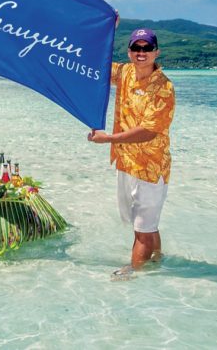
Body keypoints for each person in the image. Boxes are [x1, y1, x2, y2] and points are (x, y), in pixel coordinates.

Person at [88, 23, 175, 278]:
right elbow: (95, 64)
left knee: (142, 230)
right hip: (126, 162)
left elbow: (149, 130)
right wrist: (105, 29)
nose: (141, 52)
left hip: (150, 166)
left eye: (147, 48)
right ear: (128, 51)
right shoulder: (125, 73)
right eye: (136, 48)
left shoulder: (164, 88)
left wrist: (109, 139)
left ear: (156, 52)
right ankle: (158, 260)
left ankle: (134, 273)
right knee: (147, 224)